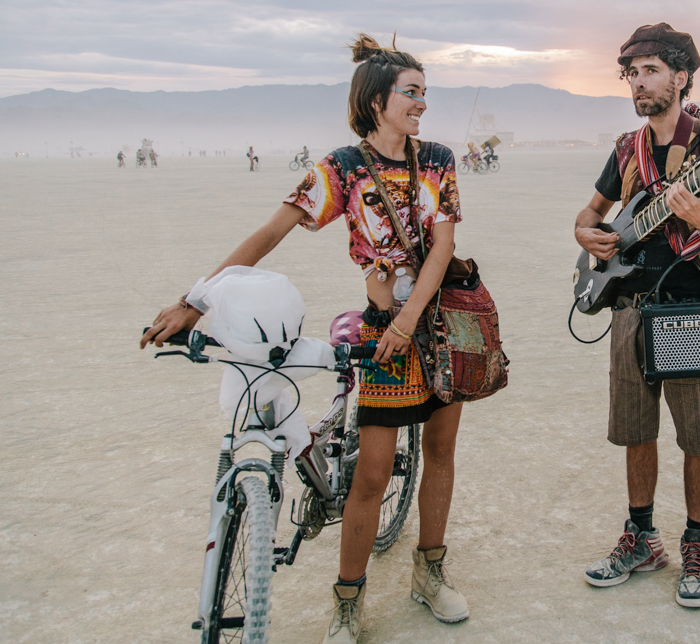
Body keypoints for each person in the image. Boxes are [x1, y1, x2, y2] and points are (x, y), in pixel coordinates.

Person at [141, 33, 470, 643]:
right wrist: (196, 300)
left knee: (442, 452)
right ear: (376, 100)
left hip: (441, 322)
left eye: (426, 92)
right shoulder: (341, 168)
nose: (423, 102)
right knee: (371, 474)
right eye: (411, 92)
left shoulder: (440, 160)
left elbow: (443, 245)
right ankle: (347, 601)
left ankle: (430, 572)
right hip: (382, 337)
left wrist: (407, 320)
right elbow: (274, 231)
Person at [574, 23, 700, 609]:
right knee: (635, 431)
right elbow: (591, 212)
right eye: (632, 72)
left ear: (681, 77)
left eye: (650, 70)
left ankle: (697, 541)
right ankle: (642, 537)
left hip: (689, 311)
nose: (638, 82)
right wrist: (586, 233)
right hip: (629, 306)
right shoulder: (627, 149)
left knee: (697, 436)